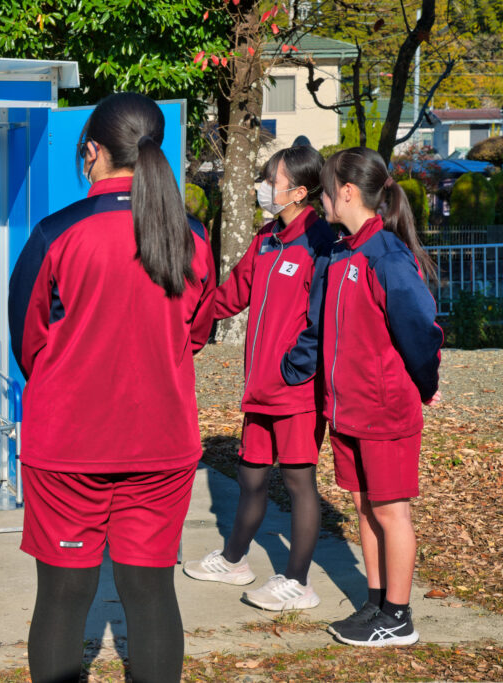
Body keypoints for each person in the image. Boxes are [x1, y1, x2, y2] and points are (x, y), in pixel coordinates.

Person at [8, 92, 215, 683]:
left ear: (93, 151)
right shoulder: (191, 236)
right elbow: (196, 331)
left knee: (63, 595)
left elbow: (29, 341)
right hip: (161, 442)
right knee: (150, 592)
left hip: (68, 442)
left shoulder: (57, 233)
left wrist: (69, 377)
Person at [183, 146, 334, 611]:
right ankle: (234, 560)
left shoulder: (320, 242)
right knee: (250, 477)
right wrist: (185, 324)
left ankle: (298, 582)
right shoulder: (267, 238)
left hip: (295, 392)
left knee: (298, 482)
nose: (263, 186)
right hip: (259, 390)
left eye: (273, 179)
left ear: (300, 191)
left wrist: (296, 368)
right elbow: (231, 294)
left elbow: (322, 318)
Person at [318, 147, 442, 647]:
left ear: (346, 192)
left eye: (326, 190)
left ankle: (399, 616)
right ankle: (376, 602)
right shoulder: (343, 250)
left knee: (391, 512)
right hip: (347, 408)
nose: (322, 200)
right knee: (364, 506)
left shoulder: (385, 255)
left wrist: (425, 384)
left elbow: (420, 329)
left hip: (384, 408)